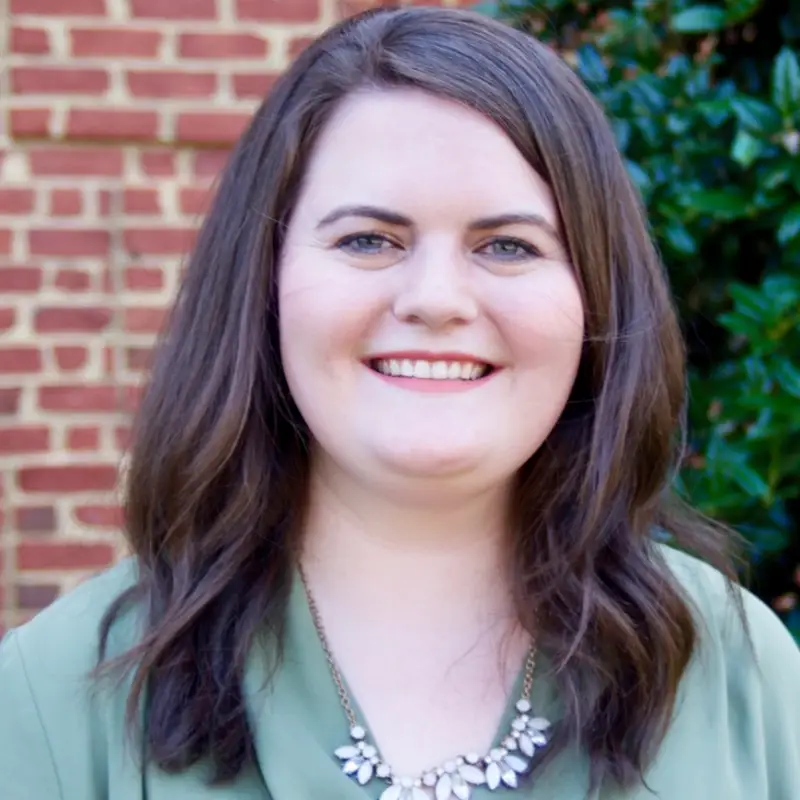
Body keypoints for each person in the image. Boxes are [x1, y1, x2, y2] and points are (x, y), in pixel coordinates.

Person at [1, 6, 798, 800]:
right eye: (368, 240)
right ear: (264, 282)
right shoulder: (54, 698)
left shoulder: (742, 674)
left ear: (596, 297)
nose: (435, 299)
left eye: (508, 245)